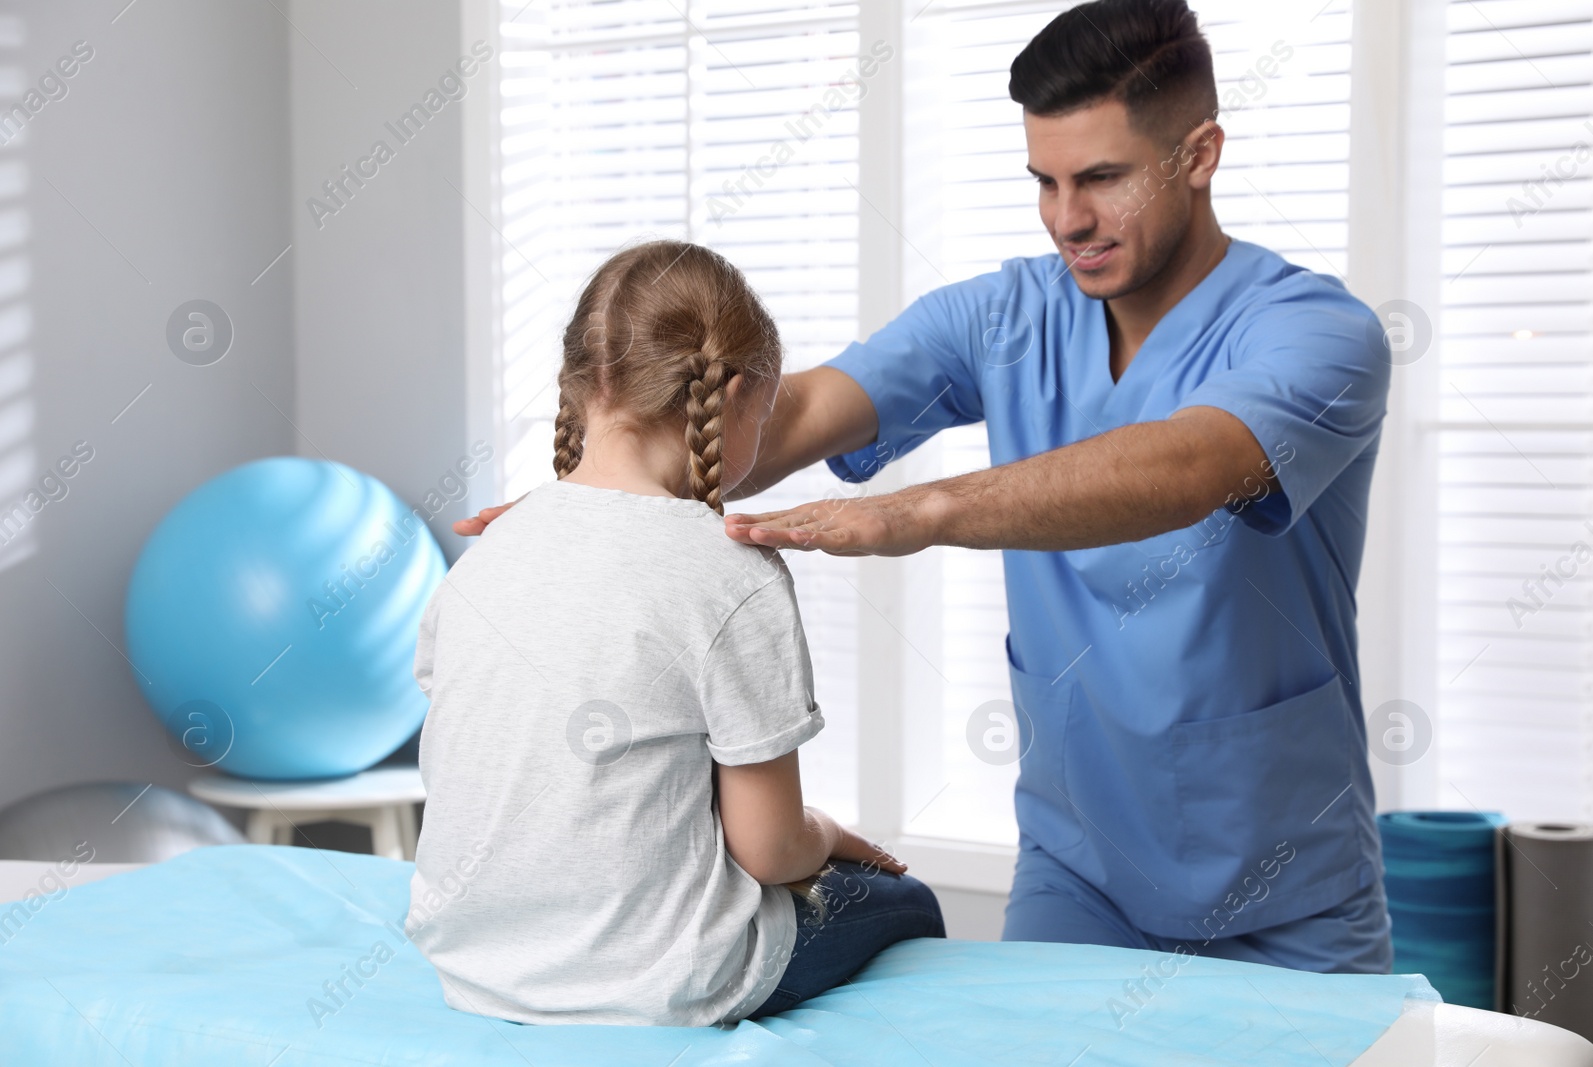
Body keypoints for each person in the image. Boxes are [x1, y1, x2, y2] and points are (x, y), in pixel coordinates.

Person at [460, 0, 1393, 974]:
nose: (1067, 218)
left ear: (1198, 153)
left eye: (1101, 179)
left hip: (1289, 893)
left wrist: (923, 511)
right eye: (1044, 180)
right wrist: (609, 500)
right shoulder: (1005, 314)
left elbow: (1189, 465)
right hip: (1082, 876)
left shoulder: (1318, 332)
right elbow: (796, 409)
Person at [408, 240, 944, 1028]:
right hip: (658, 979)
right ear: (732, 394)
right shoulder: (731, 569)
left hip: (472, 967)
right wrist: (830, 833)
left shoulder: (483, 559)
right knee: (906, 902)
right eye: (771, 406)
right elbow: (769, 851)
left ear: (581, 388)